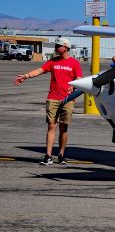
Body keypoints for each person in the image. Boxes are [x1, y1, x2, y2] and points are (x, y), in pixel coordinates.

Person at [14, 37, 83, 165]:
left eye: (58, 46)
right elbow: (40, 70)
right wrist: (26, 76)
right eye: (55, 46)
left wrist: (74, 86)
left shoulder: (74, 63)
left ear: (65, 47)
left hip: (68, 99)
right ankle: (48, 156)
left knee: (64, 127)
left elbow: (79, 79)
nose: (55, 48)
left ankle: (61, 155)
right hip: (53, 98)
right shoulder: (52, 62)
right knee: (51, 126)